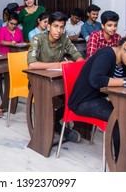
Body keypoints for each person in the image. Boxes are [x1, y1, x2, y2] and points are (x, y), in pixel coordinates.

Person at [68, 25, 126, 158]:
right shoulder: (106, 55)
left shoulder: (122, 62)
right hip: (83, 101)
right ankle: (120, 160)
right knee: (119, 117)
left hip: (97, 98)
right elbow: (96, 80)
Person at [27, 11, 84, 142]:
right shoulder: (38, 39)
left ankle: (54, 123)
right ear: (48, 27)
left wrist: (80, 62)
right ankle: (54, 127)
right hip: (38, 82)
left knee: (77, 97)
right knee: (53, 99)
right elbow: (32, 64)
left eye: (62, 27)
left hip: (58, 81)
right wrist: (59, 64)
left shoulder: (64, 38)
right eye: (55, 26)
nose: (59, 30)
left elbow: (76, 55)